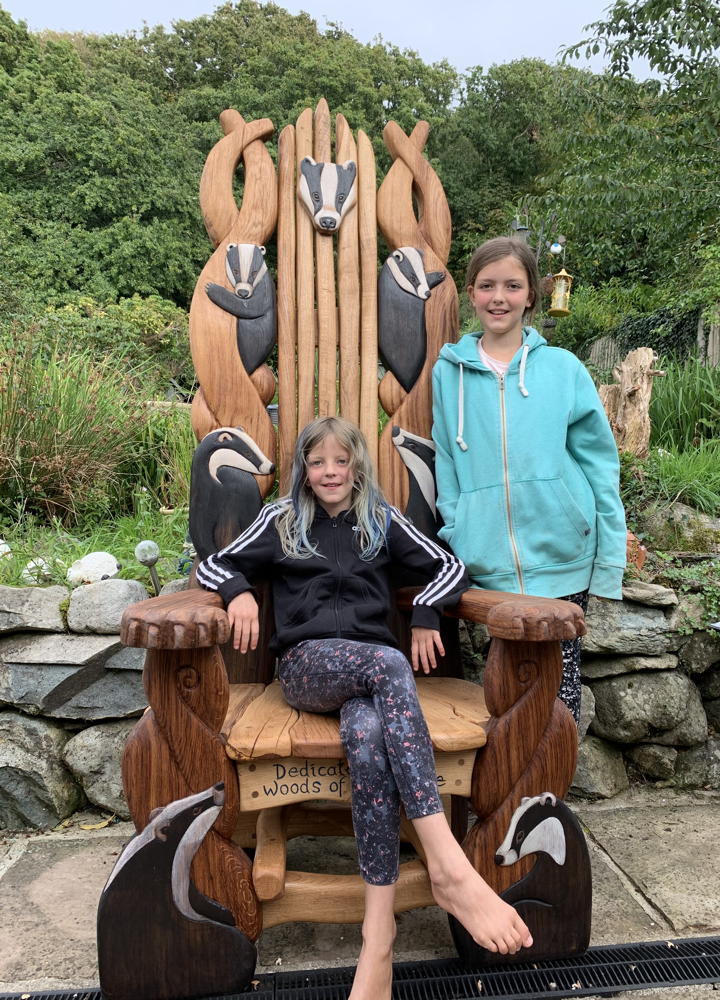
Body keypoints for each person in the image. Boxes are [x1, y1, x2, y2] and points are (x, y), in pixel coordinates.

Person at [197, 415, 533, 1000]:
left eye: (340, 460)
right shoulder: (280, 522)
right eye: (317, 461)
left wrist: (427, 610)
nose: (329, 472)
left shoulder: (381, 520)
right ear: (304, 469)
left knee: (369, 735)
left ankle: (377, 939)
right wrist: (239, 593)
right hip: (309, 669)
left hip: (376, 688)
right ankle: (448, 865)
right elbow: (211, 563)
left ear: (358, 466)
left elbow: (449, 566)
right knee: (388, 664)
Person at [432, 237, 627, 721]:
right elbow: (446, 462)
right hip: (489, 560)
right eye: (487, 285)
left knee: (560, 701)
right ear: (471, 293)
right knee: (504, 697)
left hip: (562, 557)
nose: (499, 297)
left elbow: (600, 464)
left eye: (512, 286)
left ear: (531, 296)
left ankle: (547, 795)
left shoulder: (562, 369)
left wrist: (610, 558)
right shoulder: (448, 373)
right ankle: (514, 794)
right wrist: (460, 531)